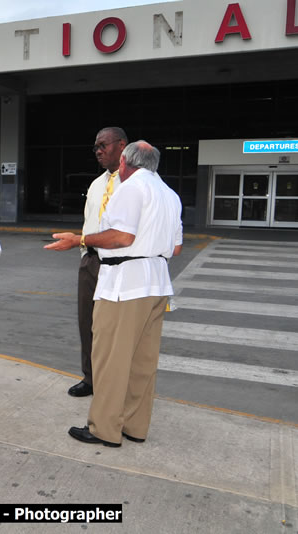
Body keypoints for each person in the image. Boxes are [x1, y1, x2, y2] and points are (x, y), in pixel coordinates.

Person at [44, 141, 183, 447]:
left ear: (124, 162)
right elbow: (176, 248)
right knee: (142, 363)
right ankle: (135, 426)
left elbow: (121, 236)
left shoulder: (131, 188)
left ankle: (104, 429)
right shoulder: (169, 195)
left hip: (125, 286)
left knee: (110, 360)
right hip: (156, 284)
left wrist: (80, 240)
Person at [48, 127, 126, 398]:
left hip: (120, 264)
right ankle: (91, 378)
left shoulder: (134, 184)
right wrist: (84, 253)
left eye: (103, 145)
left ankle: (114, 383)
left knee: (116, 329)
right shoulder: (96, 185)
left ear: (122, 145)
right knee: (88, 324)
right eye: (95, 147)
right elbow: (89, 222)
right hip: (91, 261)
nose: (98, 151)